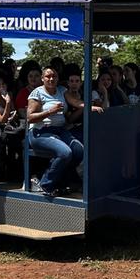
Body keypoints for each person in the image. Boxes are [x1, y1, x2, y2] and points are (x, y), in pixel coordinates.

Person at [26, 67, 84, 198]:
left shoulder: (62, 91)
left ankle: (61, 182)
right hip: (40, 132)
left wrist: (89, 106)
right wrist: (50, 112)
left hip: (60, 130)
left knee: (79, 151)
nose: (51, 79)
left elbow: (75, 102)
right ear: (42, 79)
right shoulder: (37, 93)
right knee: (65, 152)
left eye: (54, 76)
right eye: (48, 76)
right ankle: (45, 183)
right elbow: (30, 117)